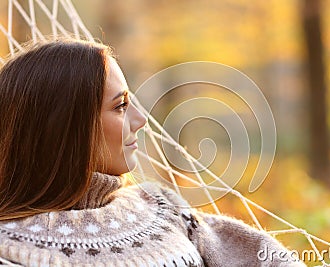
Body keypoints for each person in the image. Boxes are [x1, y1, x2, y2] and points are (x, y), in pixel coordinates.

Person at [0, 39, 304, 267]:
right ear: (63, 128)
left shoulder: (160, 207)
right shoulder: (9, 246)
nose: (141, 119)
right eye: (120, 106)